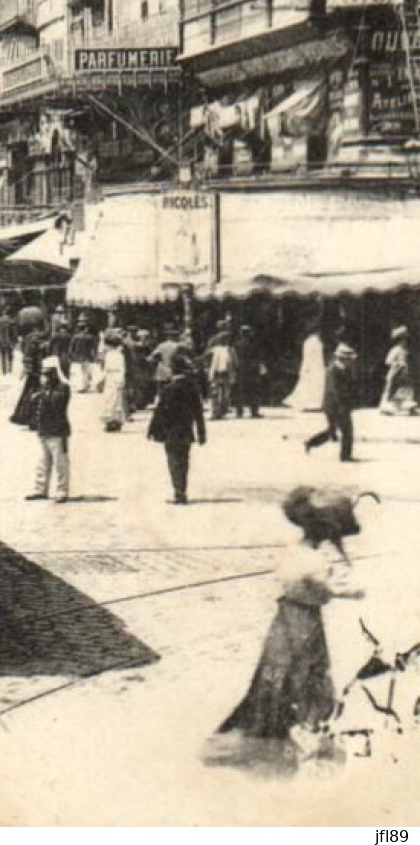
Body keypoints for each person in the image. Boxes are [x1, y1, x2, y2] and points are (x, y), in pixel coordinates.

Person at [205, 487, 366, 774]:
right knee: (306, 671)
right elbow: (329, 589)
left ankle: (273, 723)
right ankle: (297, 732)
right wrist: (355, 591)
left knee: (276, 670)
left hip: (285, 616)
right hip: (304, 621)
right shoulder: (316, 560)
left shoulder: (295, 549)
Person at [148, 354, 206, 504]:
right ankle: (182, 489)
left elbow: (159, 411)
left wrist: (152, 430)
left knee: (173, 461)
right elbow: (198, 412)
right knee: (184, 460)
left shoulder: (168, 389)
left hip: (171, 431)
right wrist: (201, 433)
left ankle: (178, 491)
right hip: (186, 430)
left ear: (173, 370)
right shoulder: (192, 389)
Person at [27, 357, 71, 503]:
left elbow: (56, 403)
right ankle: (40, 489)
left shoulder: (63, 388)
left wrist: (43, 393)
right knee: (43, 463)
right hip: (44, 430)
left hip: (57, 431)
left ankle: (61, 490)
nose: (44, 377)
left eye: (47, 374)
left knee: (60, 462)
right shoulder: (43, 389)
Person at [305, 343, 358, 463]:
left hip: (340, 405)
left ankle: (310, 442)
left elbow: (351, 385)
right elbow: (334, 390)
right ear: (343, 359)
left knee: (332, 431)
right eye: (349, 359)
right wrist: (343, 405)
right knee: (347, 431)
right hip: (334, 406)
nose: (351, 362)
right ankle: (345, 456)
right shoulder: (332, 370)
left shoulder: (346, 369)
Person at [284, 327, 326, 411]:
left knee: (314, 385)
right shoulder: (312, 341)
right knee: (312, 385)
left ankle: (313, 404)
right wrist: (306, 367)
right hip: (313, 365)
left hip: (316, 365)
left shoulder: (313, 341)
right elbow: (308, 356)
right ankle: (310, 404)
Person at [232, 324, 264, 419]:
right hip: (251, 369)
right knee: (253, 390)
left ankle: (239, 412)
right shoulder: (253, 344)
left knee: (240, 391)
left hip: (240, 369)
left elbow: (234, 357)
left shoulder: (236, 344)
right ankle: (254, 412)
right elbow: (257, 357)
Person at [100, 330, 130, 432]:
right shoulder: (108, 355)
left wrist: (121, 380)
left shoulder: (119, 355)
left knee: (116, 400)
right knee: (109, 399)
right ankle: (110, 421)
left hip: (116, 377)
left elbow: (122, 369)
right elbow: (105, 369)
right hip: (110, 378)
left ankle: (115, 422)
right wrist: (102, 379)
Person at [381, 326, 413, 416]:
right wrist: (397, 363)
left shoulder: (404, 350)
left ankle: (402, 407)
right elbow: (388, 361)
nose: (405, 342)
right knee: (391, 389)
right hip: (395, 373)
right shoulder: (395, 350)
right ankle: (386, 407)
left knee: (404, 389)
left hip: (403, 374)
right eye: (403, 340)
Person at [207, 325, 236, 419]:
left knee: (217, 392)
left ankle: (217, 411)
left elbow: (207, 358)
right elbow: (234, 362)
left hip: (218, 373)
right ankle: (220, 411)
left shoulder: (214, 349)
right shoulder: (230, 350)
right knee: (223, 392)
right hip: (223, 373)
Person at [67, 323, 99, 393]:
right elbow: (94, 349)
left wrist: (71, 356)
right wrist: (95, 357)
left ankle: (81, 386)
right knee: (85, 372)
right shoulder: (90, 337)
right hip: (87, 357)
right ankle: (84, 386)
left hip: (77, 357)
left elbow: (71, 348)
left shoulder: (75, 337)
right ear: (85, 328)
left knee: (79, 372)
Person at [0, 306, 18, 378]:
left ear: (3, 313)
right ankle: (9, 368)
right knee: (10, 355)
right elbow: (14, 333)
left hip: (1, 340)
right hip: (10, 341)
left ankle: (4, 370)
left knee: (2, 355)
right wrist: (15, 340)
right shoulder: (12, 321)